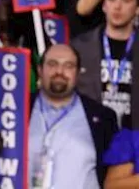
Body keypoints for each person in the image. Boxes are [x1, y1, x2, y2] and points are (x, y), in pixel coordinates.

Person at [29, 43, 119, 188]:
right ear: (40, 70)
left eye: (68, 66)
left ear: (77, 74)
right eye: (52, 64)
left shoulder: (103, 118)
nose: (59, 71)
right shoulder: (16, 108)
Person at [71, 0, 139, 128]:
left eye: (126, 0)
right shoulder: (80, 47)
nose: (117, 6)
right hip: (91, 137)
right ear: (103, 5)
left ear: (137, 8)